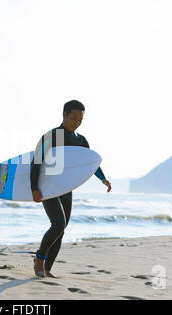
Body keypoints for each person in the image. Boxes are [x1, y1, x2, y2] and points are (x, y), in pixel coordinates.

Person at [30, 100, 112, 278]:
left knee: (62, 228)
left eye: (80, 120)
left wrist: (102, 178)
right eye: (73, 118)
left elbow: (89, 163)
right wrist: (34, 188)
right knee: (58, 223)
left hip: (66, 188)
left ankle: (47, 269)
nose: (76, 122)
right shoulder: (53, 136)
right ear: (64, 115)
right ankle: (39, 259)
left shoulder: (80, 140)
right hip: (49, 186)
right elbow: (36, 162)